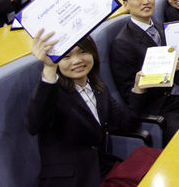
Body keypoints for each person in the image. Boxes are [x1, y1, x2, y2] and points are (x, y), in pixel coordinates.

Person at [26, 30, 146, 186]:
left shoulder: (99, 88)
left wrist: (138, 89)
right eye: (67, 56)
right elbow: (34, 124)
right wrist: (49, 68)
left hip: (102, 170)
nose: (77, 61)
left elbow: (126, 124)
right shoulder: (53, 93)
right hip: (70, 181)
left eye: (83, 52)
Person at [110, 0, 179, 141]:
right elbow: (129, 94)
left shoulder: (163, 28)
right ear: (125, 4)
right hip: (162, 105)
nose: (145, 1)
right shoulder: (122, 43)